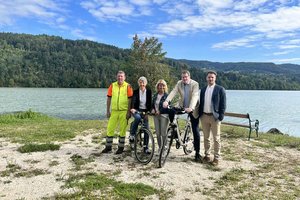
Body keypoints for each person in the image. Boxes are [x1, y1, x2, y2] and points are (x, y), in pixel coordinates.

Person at [163, 70, 201, 162]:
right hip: (182, 106)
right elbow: (173, 92)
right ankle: (174, 132)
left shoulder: (195, 84)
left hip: (193, 108)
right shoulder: (179, 83)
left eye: (186, 77)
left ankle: (197, 153)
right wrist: (167, 101)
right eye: (183, 77)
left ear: (189, 77)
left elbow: (195, 96)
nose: (184, 79)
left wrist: (191, 108)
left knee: (195, 129)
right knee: (171, 112)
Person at [199, 70, 226, 166]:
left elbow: (223, 105)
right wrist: (199, 114)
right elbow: (201, 103)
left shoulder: (220, 89)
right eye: (209, 77)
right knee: (206, 138)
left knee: (216, 138)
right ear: (206, 78)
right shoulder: (203, 90)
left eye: (212, 77)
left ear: (215, 78)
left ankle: (216, 158)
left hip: (215, 117)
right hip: (204, 116)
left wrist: (220, 117)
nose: (210, 79)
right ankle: (207, 155)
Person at [102, 71, 133, 154]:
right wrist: (108, 111)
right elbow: (109, 98)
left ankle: (120, 148)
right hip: (114, 111)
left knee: (122, 130)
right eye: (118, 76)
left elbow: (130, 100)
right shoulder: (112, 85)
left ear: (124, 77)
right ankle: (108, 147)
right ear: (116, 77)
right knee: (110, 128)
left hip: (124, 111)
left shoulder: (128, 86)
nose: (120, 78)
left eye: (121, 76)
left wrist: (128, 111)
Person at [129, 76, 152, 149]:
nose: (142, 84)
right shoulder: (135, 91)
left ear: (146, 83)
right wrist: (132, 108)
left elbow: (150, 103)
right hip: (137, 110)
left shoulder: (149, 91)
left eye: (143, 83)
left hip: (145, 111)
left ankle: (146, 147)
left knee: (147, 128)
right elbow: (133, 101)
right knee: (138, 118)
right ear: (138, 83)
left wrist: (148, 112)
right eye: (140, 82)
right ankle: (132, 134)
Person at [151, 79, 169, 154]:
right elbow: (152, 104)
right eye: (159, 85)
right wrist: (152, 109)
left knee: (163, 133)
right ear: (157, 86)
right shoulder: (155, 95)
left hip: (164, 116)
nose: (161, 87)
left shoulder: (167, 96)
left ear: (165, 87)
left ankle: (165, 147)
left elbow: (167, 106)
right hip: (156, 116)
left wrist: (160, 111)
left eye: (162, 85)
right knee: (158, 133)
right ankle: (160, 147)